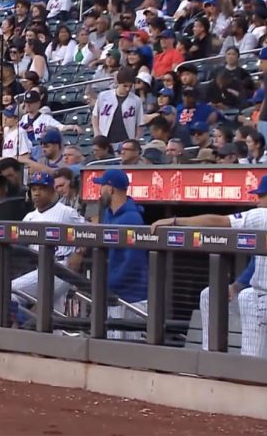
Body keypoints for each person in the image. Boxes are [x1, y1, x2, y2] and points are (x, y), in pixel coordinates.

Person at [151, 175, 267, 358]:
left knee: (251, 363)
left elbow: (219, 222)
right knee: (213, 295)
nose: (258, 200)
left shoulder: (263, 215)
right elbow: (257, 262)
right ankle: (210, 356)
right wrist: (236, 286)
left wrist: (175, 221)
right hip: (256, 295)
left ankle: (231, 368)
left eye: (262, 196)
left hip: (262, 300)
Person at [11, 172, 85, 313]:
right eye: (34, 190)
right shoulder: (29, 217)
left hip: (61, 267)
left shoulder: (66, 212)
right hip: (39, 267)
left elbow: (91, 233)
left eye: (42, 189)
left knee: (9, 290)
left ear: (52, 190)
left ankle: (23, 325)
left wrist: (79, 253)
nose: (37, 194)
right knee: (52, 317)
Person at [94, 169, 148, 339]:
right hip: (113, 297)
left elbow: (132, 261)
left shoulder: (132, 218)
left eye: (102, 186)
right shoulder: (109, 215)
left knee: (132, 354)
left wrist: (108, 284)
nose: (99, 190)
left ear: (110, 189)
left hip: (132, 298)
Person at [92, 67, 144, 144]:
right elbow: (95, 115)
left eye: (130, 86)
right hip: (105, 139)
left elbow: (139, 123)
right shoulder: (103, 96)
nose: (127, 89)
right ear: (118, 83)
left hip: (126, 140)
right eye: (125, 86)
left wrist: (136, 139)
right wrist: (96, 132)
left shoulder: (136, 100)